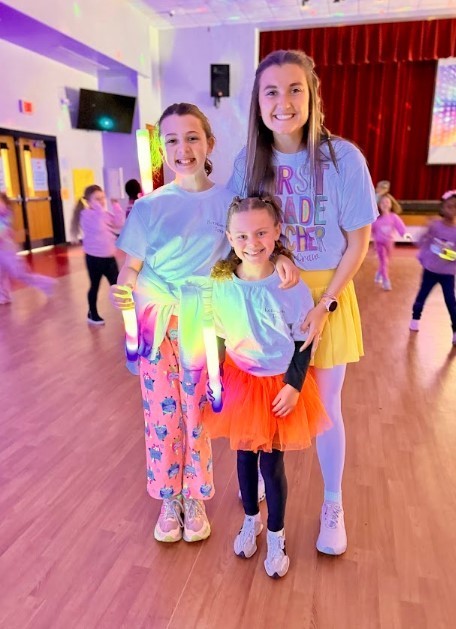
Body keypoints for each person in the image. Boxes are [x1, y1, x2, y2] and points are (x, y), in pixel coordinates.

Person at [109, 102, 300, 545]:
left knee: (198, 414)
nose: (183, 148)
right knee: (161, 415)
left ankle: (194, 496)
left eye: (192, 137)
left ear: (209, 143)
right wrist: (125, 283)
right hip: (158, 323)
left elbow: (253, 240)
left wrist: (284, 257)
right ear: (162, 150)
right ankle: (167, 499)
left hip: (208, 323)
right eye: (171, 140)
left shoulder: (227, 199)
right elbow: (131, 266)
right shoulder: (150, 206)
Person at [228, 49, 378, 556]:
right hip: (269, 300)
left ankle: (333, 505)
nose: (284, 102)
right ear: (258, 102)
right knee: (268, 401)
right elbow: (236, 230)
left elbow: (358, 242)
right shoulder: (249, 162)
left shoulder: (343, 159)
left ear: (312, 95)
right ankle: (262, 501)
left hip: (327, 297)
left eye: (295, 89)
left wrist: (326, 302)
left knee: (327, 408)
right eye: (272, 91)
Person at [204, 195, 330, 578]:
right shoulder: (222, 282)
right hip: (240, 381)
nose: (252, 242)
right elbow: (218, 334)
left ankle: (277, 534)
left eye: (261, 232)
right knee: (243, 459)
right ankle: (251, 519)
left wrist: (293, 386)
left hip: (278, 385)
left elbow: (303, 341)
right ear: (229, 236)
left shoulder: (291, 286)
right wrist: (214, 378)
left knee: (272, 465)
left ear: (277, 232)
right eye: (242, 235)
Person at [70, 185, 124, 325]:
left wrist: (116, 205)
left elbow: (119, 223)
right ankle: (92, 313)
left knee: (118, 286)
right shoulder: (86, 215)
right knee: (95, 286)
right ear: (89, 201)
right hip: (94, 258)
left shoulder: (104, 214)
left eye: (102, 198)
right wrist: (99, 209)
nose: (101, 201)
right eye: (97, 199)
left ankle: (130, 315)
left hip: (109, 258)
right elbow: (99, 224)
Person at [409, 189, 456, 345]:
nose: (452, 210)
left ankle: (455, 329)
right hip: (430, 271)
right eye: (449, 206)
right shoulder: (435, 226)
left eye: (455, 207)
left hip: (448, 273)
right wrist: (424, 254)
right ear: (442, 207)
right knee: (422, 295)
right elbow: (421, 241)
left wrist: (449, 254)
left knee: (450, 300)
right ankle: (415, 318)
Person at [0, 192, 56, 304]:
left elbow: (3, 233)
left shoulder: (6, 216)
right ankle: (3, 296)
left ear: (5, 204)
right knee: (1, 274)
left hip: (8, 250)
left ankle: (46, 283)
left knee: (20, 274)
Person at [372, 193, 412, 290]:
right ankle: (386, 281)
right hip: (379, 244)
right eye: (382, 202)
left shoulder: (394, 217)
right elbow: (370, 230)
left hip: (389, 244)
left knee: (385, 262)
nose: (385, 204)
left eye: (387, 202)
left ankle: (378, 273)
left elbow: (400, 227)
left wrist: (405, 234)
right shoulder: (375, 218)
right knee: (384, 262)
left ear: (391, 204)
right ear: (378, 205)